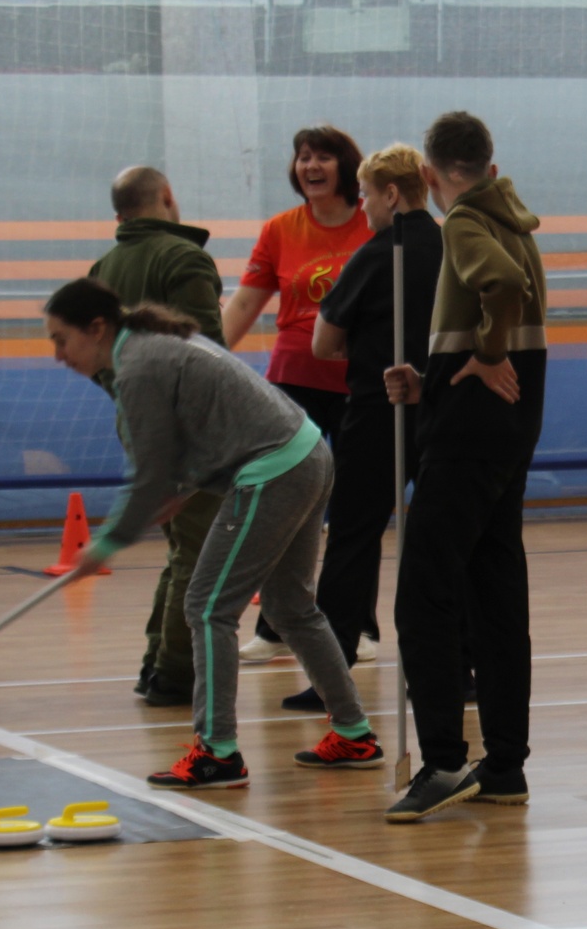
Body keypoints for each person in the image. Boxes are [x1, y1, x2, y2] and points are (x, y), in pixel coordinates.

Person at [45, 279, 382, 785]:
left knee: (207, 607)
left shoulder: (139, 363)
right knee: (290, 607)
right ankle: (355, 734)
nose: (57, 355)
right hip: (307, 452)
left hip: (275, 468)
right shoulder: (146, 349)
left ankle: (218, 752)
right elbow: (191, 440)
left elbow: (150, 474)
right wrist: (181, 484)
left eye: (60, 340)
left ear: (96, 329)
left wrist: (109, 541)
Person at [382, 111, 548, 824]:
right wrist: (433, 378)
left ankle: (445, 760)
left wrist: (482, 356)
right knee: (494, 588)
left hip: (472, 427)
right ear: (490, 159)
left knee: (423, 594)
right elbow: (505, 294)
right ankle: (504, 762)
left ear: (429, 174)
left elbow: (501, 287)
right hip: (507, 421)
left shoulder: (462, 223)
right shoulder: (513, 217)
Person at [297, 142, 443, 712]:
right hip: (441, 412)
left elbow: (322, 342)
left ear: (390, 193)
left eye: (366, 196)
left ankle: (331, 677)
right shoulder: (453, 246)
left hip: (377, 412)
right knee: (444, 541)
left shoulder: (376, 253)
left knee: (353, 538)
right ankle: (456, 670)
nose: (365, 208)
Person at [222, 124, 372, 659]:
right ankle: (274, 627)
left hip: (361, 384)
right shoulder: (280, 230)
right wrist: (208, 359)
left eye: (323, 157)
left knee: (357, 507)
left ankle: (359, 625)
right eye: (303, 157)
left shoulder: (374, 226)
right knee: (284, 504)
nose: (310, 166)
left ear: (346, 167)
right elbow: (243, 305)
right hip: (292, 383)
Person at [88, 165, 225, 709]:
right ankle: (174, 671)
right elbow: (205, 354)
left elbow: (98, 358)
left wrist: (129, 401)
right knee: (198, 552)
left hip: (137, 423)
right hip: (189, 430)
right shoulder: (185, 258)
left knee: (181, 548)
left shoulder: (102, 269)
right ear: (168, 197)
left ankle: (157, 662)